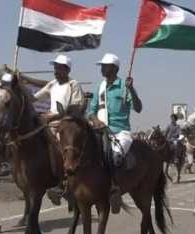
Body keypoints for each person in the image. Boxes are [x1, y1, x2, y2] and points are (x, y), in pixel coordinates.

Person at [87, 53, 142, 214]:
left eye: (105, 66)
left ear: (114, 68)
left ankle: (114, 190)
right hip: (99, 130)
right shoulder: (100, 87)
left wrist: (132, 90)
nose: (102, 68)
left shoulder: (124, 86)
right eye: (101, 66)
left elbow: (138, 108)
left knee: (116, 155)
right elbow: (91, 111)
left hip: (120, 132)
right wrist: (95, 121)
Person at [35, 55, 85, 205]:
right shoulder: (52, 85)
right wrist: (18, 81)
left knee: (60, 148)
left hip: (66, 124)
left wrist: (54, 116)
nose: (55, 71)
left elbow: (76, 108)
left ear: (67, 70)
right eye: (55, 67)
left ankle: (62, 183)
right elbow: (33, 98)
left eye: (59, 68)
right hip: (49, 124)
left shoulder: (73, 84)